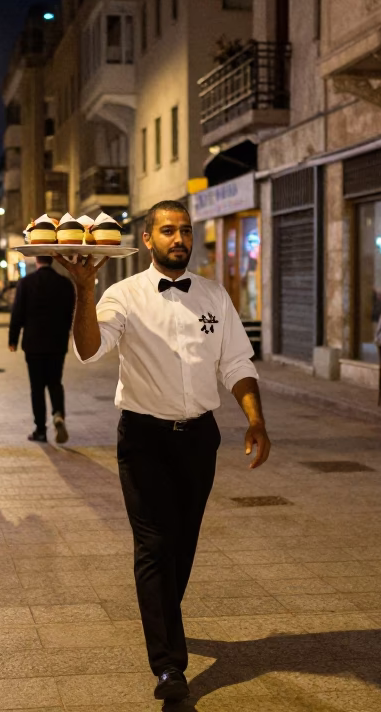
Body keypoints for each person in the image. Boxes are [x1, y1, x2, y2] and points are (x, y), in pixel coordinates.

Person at [58, 201, 270, 703]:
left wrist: (256, 419)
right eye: (167, 230)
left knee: (183, 544)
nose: (179, 238)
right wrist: (84, 289)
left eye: (185, 230)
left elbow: (236, 362)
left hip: (200, 438)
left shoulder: (215, 296)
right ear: (148, 239)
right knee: (154, 545)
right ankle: (169, 667)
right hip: (144, 439)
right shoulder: (123, 295)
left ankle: (160, 614)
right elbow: (89, 349)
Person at [8, 256, 76, 443]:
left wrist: (12, 339)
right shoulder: (65, 283)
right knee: (55, 382)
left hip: (34, 344)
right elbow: (71, 312)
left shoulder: (26, 283)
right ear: (52, 260)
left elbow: (17, 313)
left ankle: (40, 429)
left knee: (36, 387)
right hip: (57, 343)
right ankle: (58, 413)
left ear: (37, 260)